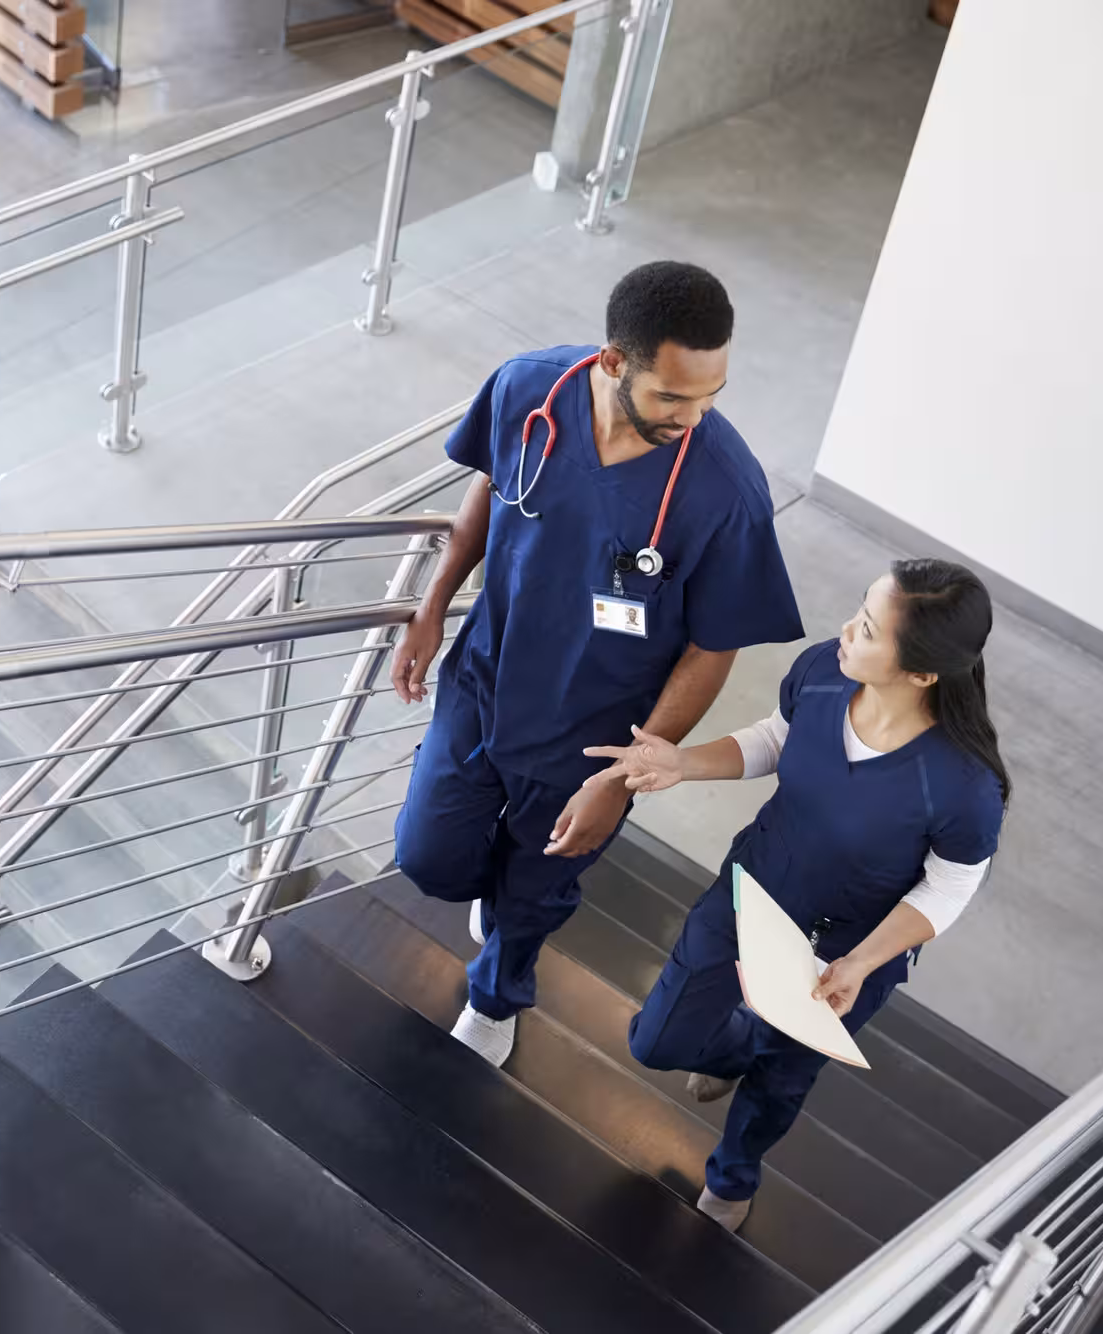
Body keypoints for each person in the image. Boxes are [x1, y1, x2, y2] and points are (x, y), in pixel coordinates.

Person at [388, 260, 805, 1068]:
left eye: (712, 395)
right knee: (429, 858)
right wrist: (433, 604)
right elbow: (489, 490)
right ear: (615, 362)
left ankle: (496, 992)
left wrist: (625, 774)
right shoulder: (526, 391)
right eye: (672, 397)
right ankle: (494, 894)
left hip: (595, 738)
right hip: (485, 685)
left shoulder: (725, 492)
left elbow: (713, 646)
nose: (694, 416)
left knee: (534, 895)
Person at [588, 559, 1010, 1232]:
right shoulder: (824, 670)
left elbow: (951, 884)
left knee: (783, 1078)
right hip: (755, 889)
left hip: (844, 955)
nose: (846, 630)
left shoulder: (963, 788)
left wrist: (863, 963)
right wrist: (684, 761)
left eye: (868, 629)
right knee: (656, 1039)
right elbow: (779, 739)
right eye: (859, 611)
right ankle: (734, 1049)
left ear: (923, 673)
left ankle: (733, 1175)